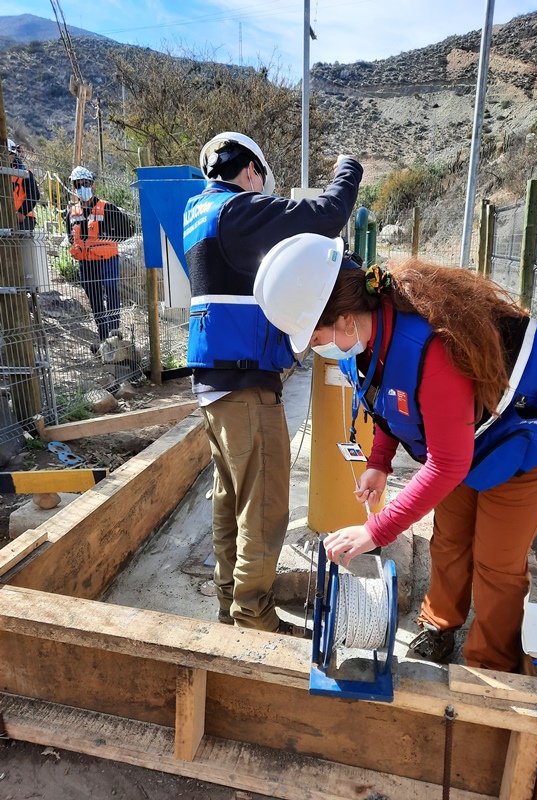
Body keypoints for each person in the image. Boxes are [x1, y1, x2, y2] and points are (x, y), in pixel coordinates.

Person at [253, 233, 537, 671]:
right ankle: (439, 625)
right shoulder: (370, 333)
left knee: (497, 562)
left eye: (315, 336)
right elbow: (392, 402)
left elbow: (448, 462)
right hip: (475, 432)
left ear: (344, 320)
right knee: (448, 537)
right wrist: (378, 463)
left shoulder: (431, 347)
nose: (315, 347)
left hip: (534, 433)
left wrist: (376, 532)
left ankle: (489, 665)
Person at [183, 131, 362, 634]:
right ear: (251, 172)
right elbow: (327, 215)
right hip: (245, 389)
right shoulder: (237, 212)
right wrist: (348, 167)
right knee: (263, 511)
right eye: (261, 182)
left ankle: (228, 605)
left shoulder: (196, 214)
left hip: (213, 388)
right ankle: (253, 618)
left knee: (229, 502)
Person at [66, 166, 134, 350]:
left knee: (111, 290)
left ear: (93, 185)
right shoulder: (72, 213)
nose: (82, 188)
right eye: (78, 185)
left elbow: (128, 231)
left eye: (85, 184)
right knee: (95, 298)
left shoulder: (107, 207)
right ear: (74, 188)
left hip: (107, 259)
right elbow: (71, 237)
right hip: (86, 263)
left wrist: (108, 236)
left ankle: (114, 332)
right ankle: (104, 338)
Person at [8, 139, 40, 231]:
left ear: (13, 155)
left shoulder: (23, 173)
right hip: (5, 216)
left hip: (24, 217)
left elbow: (34, 195)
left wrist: (22, 212)